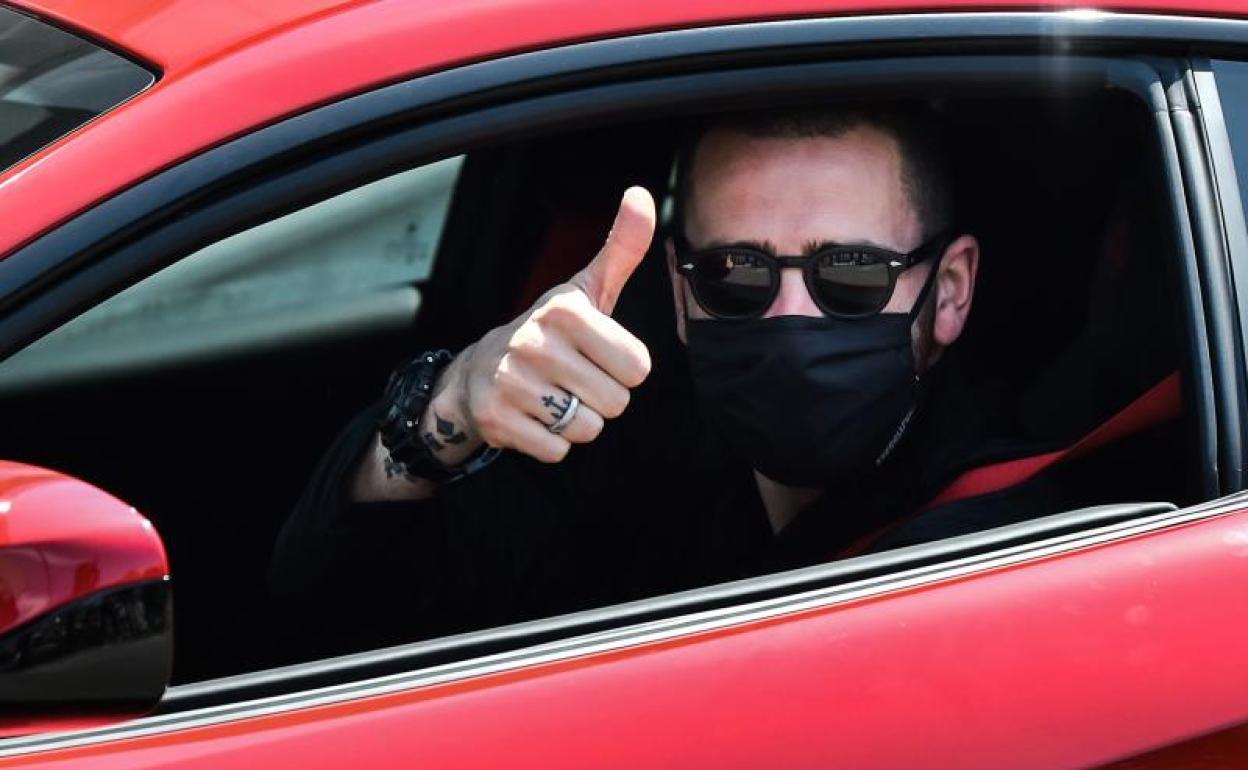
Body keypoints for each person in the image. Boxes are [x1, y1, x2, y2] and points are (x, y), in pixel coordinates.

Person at [269, 104, 1035, 655]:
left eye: (852, 273)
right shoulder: (614, 446)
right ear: (678, 290)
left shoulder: (1012, 544)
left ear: (951, 291)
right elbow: (324, 628)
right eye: (736, 273)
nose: (788, 317)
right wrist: (445, 410)